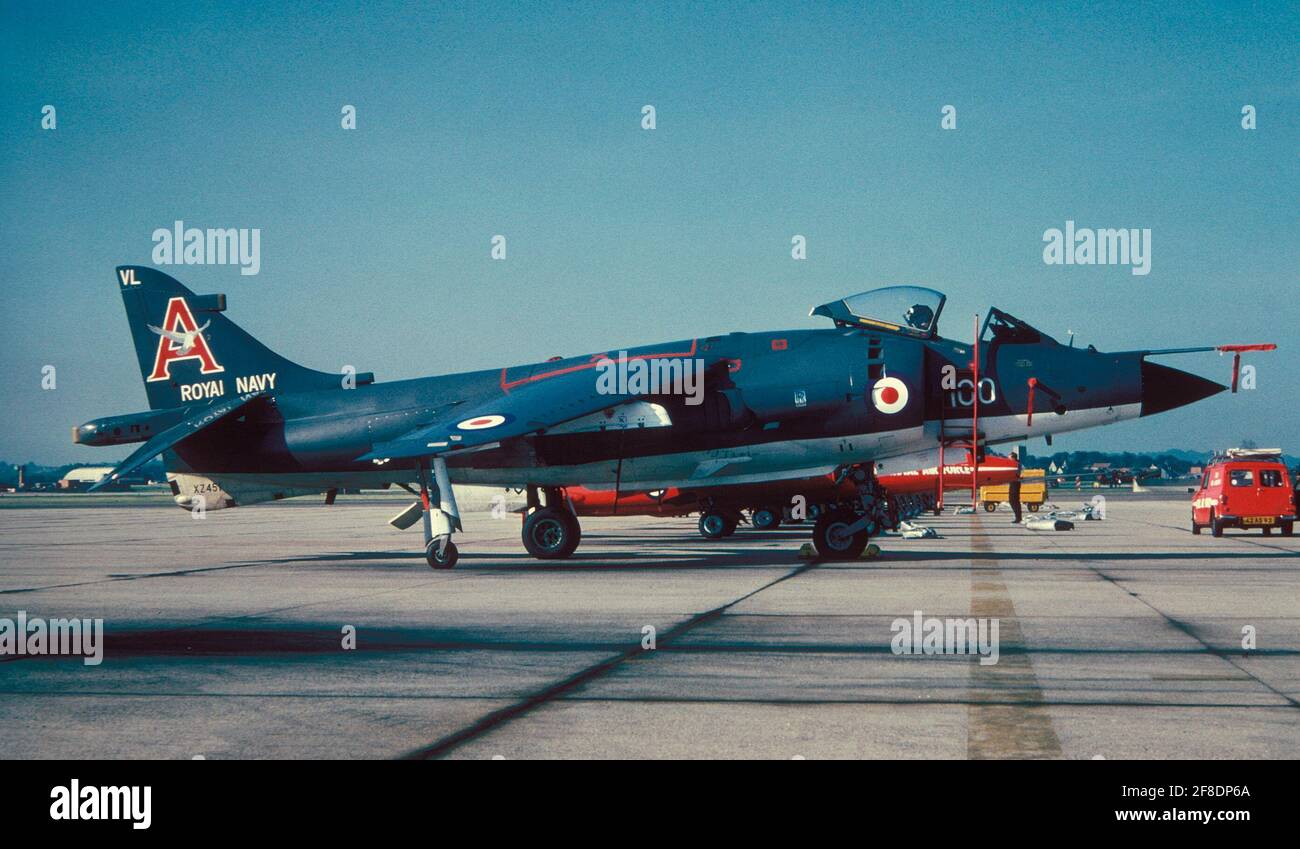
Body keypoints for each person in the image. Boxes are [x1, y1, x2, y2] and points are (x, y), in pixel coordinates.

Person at [1008, 451, 1023, 523]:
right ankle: (1018, 517)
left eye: (1009, 458)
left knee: (1014, 500)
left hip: (1015, 483)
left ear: (1013, 458)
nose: (1008, 460)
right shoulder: (1016, 464)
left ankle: (1018, 517)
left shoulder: (1016, 464)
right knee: (1013, 500)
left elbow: (1016, 473)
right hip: (1013, 482)